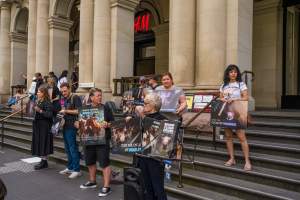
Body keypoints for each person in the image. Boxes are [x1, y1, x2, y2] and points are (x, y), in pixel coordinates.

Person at [75, 88, 114, 197]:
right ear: (91, 97)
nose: (100, 97)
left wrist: (108, 124)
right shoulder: (85, 109)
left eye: (100, 95)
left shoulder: (105, 108)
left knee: (104, 162)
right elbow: (80, 123)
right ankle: (92, 181)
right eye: (97, 95)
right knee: (90, 161)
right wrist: (77, 124)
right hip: (88, 139)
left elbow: (113, 123)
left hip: (102, 140)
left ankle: (106, 186)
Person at [219, 64, 252, 171]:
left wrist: (235, 99)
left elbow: (246, 97)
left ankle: (247, 161)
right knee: (228, 136)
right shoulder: (223, 85)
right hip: (227, 112)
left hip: (238, 112)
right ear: (228, 74)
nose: (233, 73)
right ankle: (232, 158)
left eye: (235, 72)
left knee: (242, 137)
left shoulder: (241, 84)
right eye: (231, 72)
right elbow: (220, 98)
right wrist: (224, 100)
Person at [137, 93, 168, 200]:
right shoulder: (141, 117)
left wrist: (142, 117)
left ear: (152, 105)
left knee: (158, 188)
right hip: (142, 156)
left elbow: (158, 137)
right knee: (146, 187)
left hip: (155, 159)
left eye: (145, 103)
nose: (143, 105)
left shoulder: (162, 119)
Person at [58, 83, 82, 178]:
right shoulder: (63, 99)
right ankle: (70, 167)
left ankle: (77, 169)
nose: (63, 93)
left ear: (69, 89)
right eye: (62, 91)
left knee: (72, 148)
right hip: (65, 125)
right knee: (67, 148)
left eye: (65, 91)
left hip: (72, 126)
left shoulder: (75, 97)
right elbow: (63, 110)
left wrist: (66, 111)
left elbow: (80, 111)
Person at [31, 86, 54, 170]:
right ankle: (43, 160)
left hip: (44, 126)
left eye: (39, 92)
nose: (37, 93)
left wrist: (40, 111)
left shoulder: (47, 102)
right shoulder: (38, 101)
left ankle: (44, 162)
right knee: (40, 143)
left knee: (44, 142)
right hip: (38, 125)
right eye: (37, 92)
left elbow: (49, 114)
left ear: (43, 93)